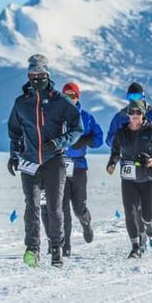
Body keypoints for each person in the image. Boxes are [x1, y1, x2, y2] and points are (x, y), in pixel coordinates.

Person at [7, 54, 84, 268]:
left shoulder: (60, 101)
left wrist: (60, 142)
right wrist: (14, 154)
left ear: (47, 75)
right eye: (32, 75)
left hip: (54, 161)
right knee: (31, 205)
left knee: (54, 206)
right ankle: (32, 249)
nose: (36, 78)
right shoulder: (21, 103)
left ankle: (56, 247)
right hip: (30, 162)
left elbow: (78, 128)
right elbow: (14, 131)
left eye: (40, 75)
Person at [106, 82, 152, 246]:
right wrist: (123, 144)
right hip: (129, 163)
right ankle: (140, 236)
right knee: (132, 205)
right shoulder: (122, 116)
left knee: (149, 201)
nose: (134, 101)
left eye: (137, 97)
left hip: (149, 162)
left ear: (144, 97)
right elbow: (110, 139)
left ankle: (151, 225)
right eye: (130, 98)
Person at [40, 82, 102, 257]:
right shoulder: (56, 115)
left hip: (79, 167)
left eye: (73, 96)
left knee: (78, 207)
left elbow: (99, 139)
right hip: (58, 165)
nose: (69, 98)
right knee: (61, 207)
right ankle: (64, 246)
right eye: (66, 95)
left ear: (78, 97)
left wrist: (86, 140)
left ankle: (85, 222)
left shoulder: (86, 117)